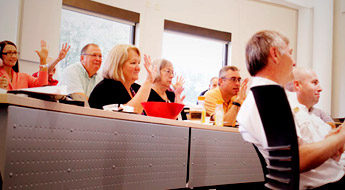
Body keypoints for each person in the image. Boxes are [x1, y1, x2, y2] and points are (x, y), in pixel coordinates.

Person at [237, 30, 345, 189]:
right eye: (290, 53)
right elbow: (296, 159)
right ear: (275, 54)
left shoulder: (280, 97)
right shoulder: (266, 98)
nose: (294, 62)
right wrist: (340, 138)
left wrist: (332, 141)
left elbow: (301, 142)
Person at [88, 44, 154, 113]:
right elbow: (129, 116)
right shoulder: (107, 87)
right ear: (118, 65)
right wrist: (148, 81)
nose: (138, 68)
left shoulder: (136, 88)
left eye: (138, 63)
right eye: (133, 63)